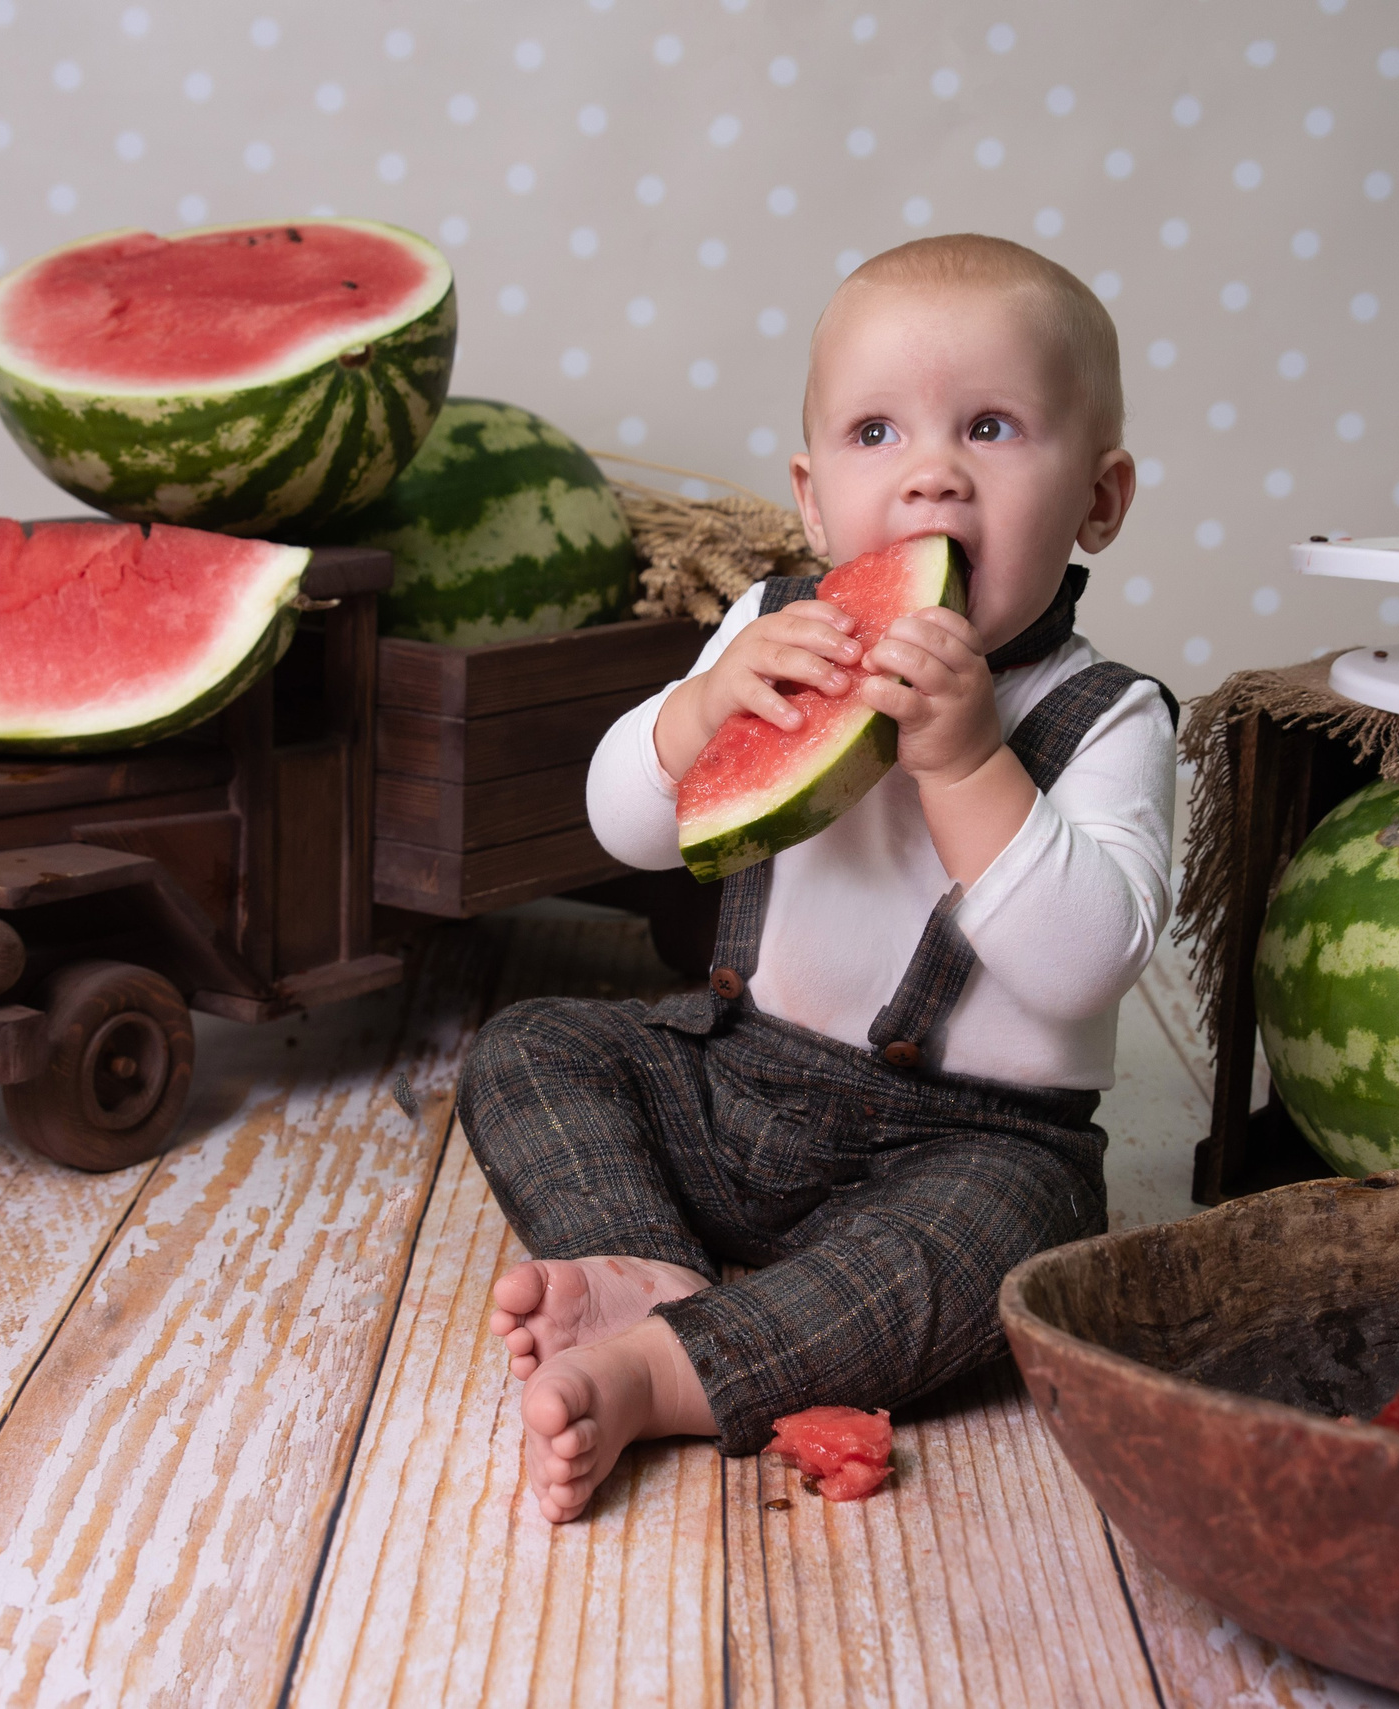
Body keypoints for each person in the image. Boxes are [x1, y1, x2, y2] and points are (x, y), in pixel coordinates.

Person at [456, 233, 1178, 1523]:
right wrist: (698, 716)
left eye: (993, 428)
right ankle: (645, 1266)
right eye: (875, 433)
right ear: (811, 496)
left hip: (970, 1146)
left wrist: (970, 765)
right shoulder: (770, 628)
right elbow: (623, 828)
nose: (932, 475)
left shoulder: (1109, 718)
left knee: (1012, 1243)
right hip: (738, 1083)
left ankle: (673, 1373)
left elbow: (1084, 966)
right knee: (530, 1048)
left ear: (1101, 498)